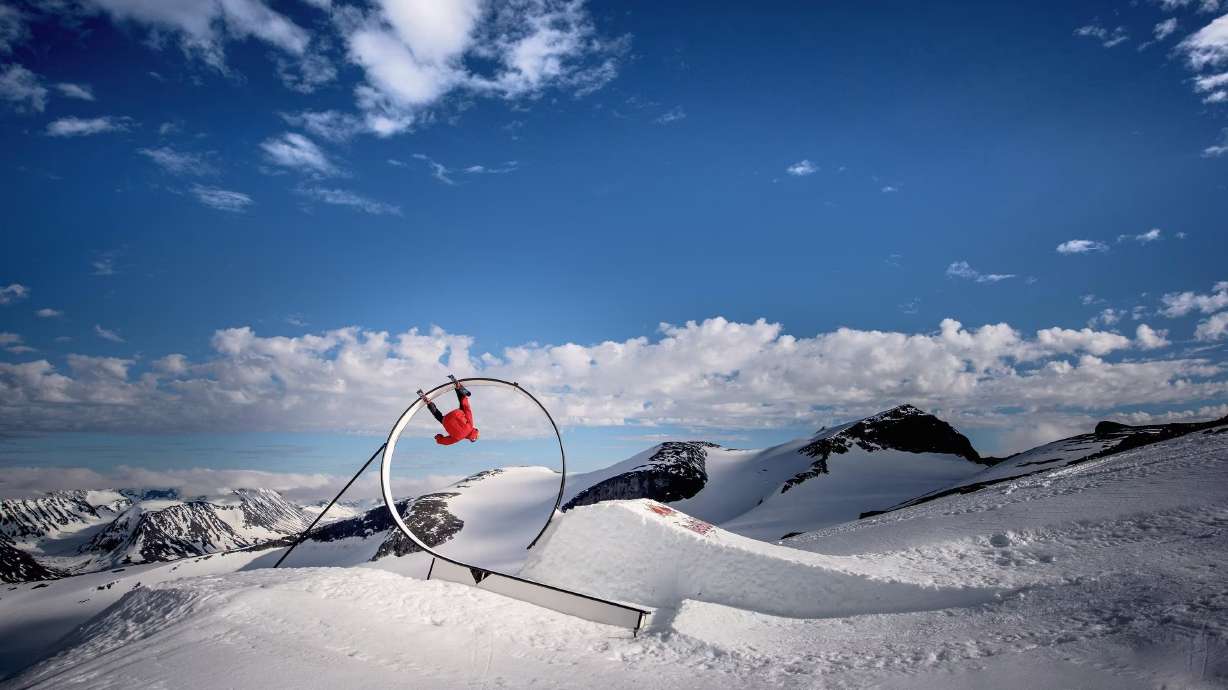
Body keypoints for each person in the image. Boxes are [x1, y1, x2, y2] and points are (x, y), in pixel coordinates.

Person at [427, 380, 479, 445]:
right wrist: (438, 437)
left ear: (475, 431)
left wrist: (464, 398)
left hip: (456, 414)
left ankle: (458, 388)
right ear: (468, 438)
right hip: (446, 421)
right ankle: (429, 403)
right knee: (439, 417)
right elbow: (444, 442)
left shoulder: (470, 426)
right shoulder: (457, 438)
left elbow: (467, 410)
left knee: (463, 407)